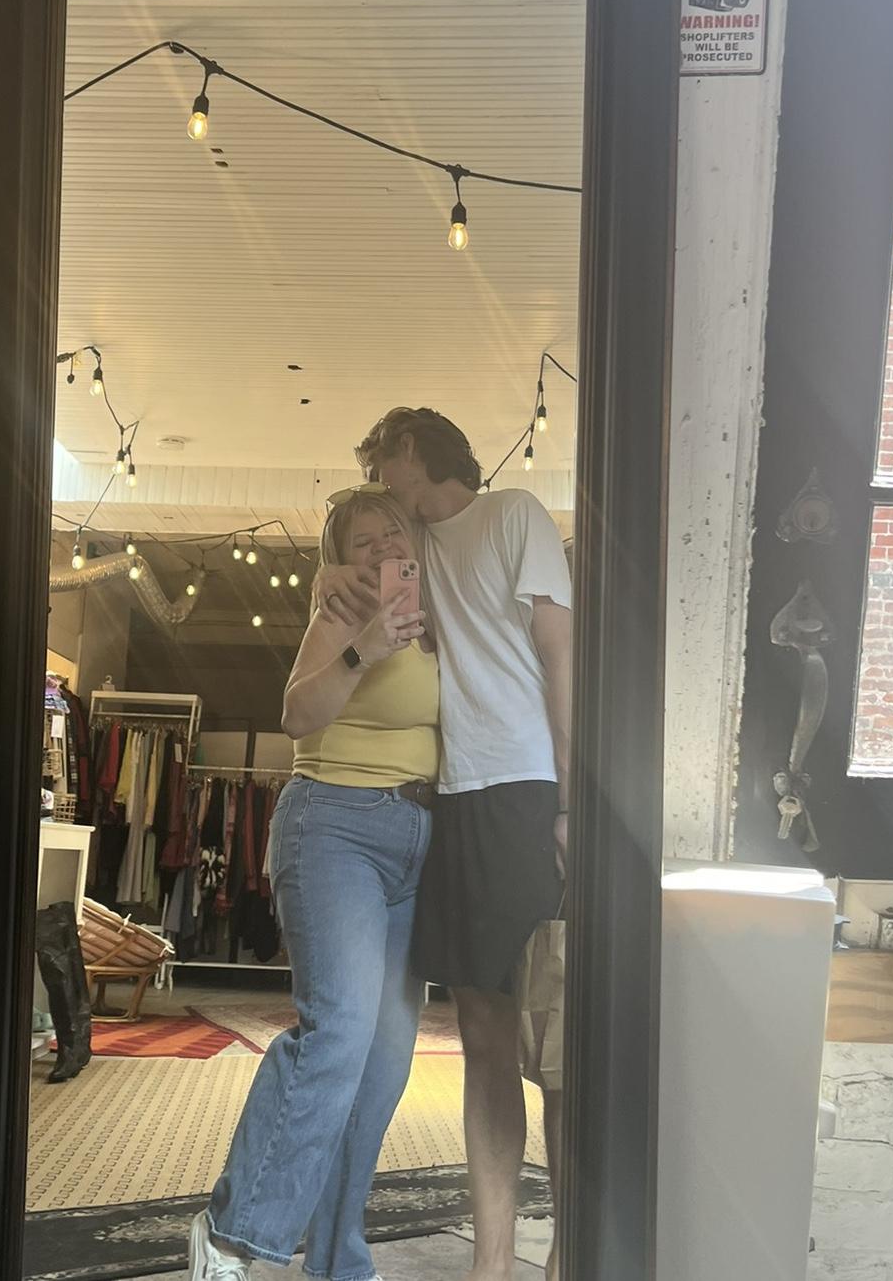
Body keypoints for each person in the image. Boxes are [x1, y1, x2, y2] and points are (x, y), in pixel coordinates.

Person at [316, 407, 572, 1281]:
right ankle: (491, 1265)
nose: (378, 487)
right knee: (483, 1039)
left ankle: (566, 1252)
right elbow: (347, 564)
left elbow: (561, 657)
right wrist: (334, 579)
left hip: (524, 792)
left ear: (409, 452)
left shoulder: (514, 514)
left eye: (380, 466)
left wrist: (570, 800)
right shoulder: (408, 552)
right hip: (449, 804)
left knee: (552, 1047)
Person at [188, 487, 438, 1281]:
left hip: (418, 842)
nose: (382, 548)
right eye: (364, 540)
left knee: (385, 1063)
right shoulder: (343, 608)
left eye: (393, 533)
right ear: (340, 557)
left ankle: (337, 1264)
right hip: (335, 824)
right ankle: (230, 1234)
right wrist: (364, 646)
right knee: (339, 1030)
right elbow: (298, 713)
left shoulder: (439, 611)